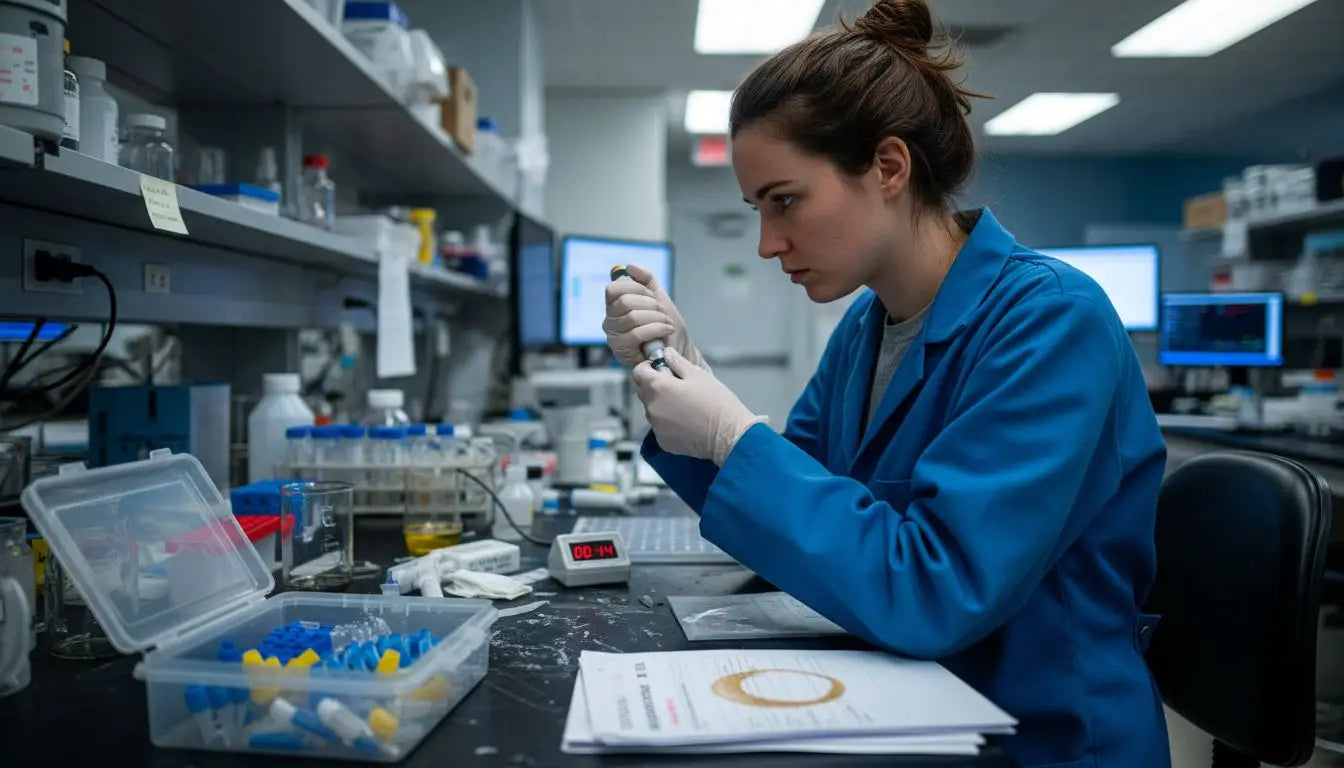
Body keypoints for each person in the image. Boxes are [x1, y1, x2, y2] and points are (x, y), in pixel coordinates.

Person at [602, 1, 1170, 766]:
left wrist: (733, 434)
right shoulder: (866, 332)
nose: (769, 243)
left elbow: (938, 589)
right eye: (756, 210)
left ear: (890, 168)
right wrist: (687, 377)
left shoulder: (1051, 321)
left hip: (1037, 731)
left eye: (785, 200)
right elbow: (795, 528)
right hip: (908, 699)